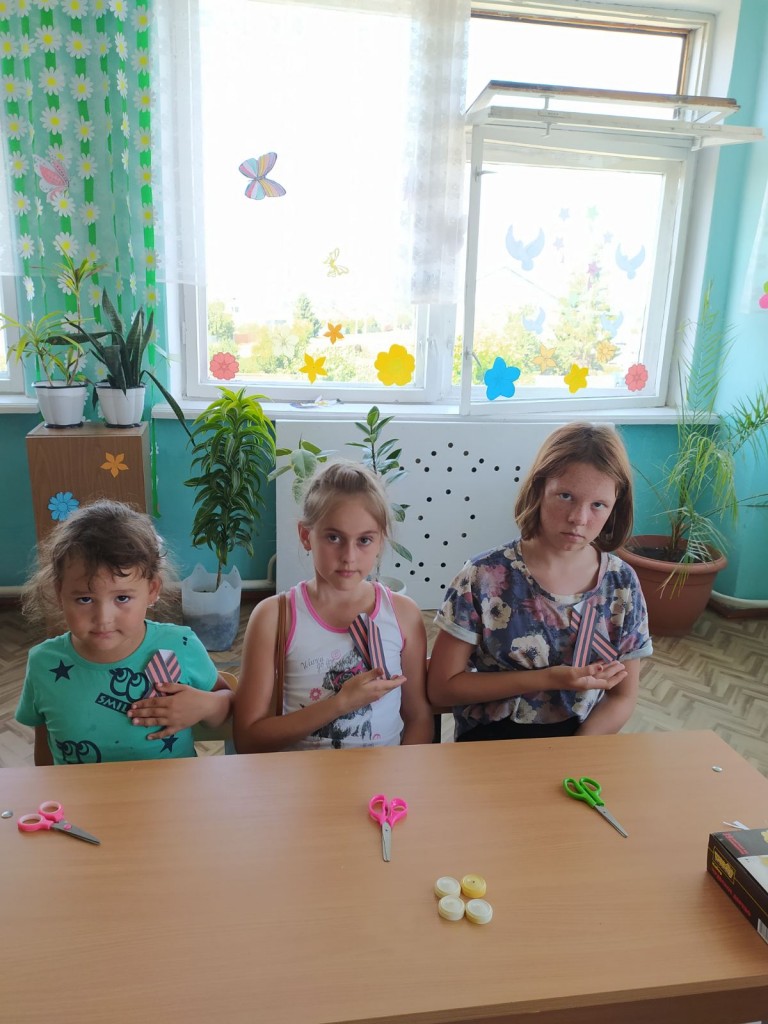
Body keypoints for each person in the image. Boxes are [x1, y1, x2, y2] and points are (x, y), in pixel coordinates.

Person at [427, 422, 652, 742]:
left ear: (616, 506)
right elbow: (441, 689)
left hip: (580, 738)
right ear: (538, 490)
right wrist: (548, 679)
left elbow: (622, 697)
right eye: (565, 496)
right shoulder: (483, 576)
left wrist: (572, 753)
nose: (579, 518)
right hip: (490, 740)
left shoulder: (621, 584)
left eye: (598, 505)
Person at [234, 460, 433, 752]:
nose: (349, 557)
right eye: (334, 537)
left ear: (380, 541)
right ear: (306, 536)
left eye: (364, 540)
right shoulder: (274, 617)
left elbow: (418, 717)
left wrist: (400, 775)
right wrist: (341, 703)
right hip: (301, 777)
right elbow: (248, 739)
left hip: (384, 779)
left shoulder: (403, 615)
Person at [16, 500, 233, 766]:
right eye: (85, 599)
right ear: (59, 592)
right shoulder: (43, 663)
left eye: (122, 598)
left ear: (152, 590)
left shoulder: (181, 644)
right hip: (79, 792)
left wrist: (206, 706)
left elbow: (228, 705)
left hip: (170, 790)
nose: (103, 619)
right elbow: (45, 749)